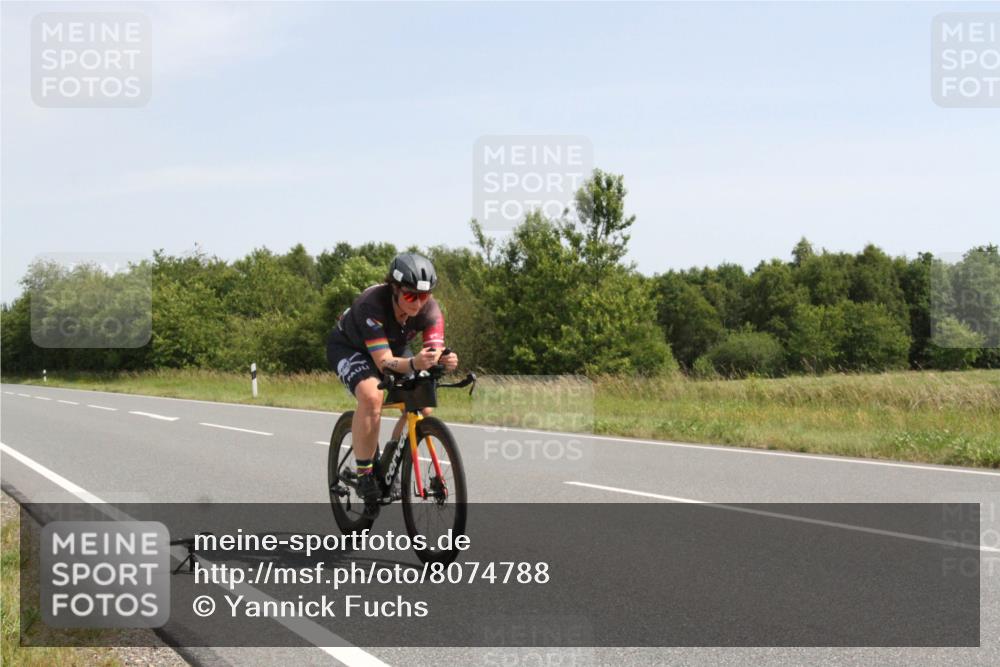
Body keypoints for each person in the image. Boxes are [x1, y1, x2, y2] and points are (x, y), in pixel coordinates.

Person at [325, 252, 458, 518]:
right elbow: (384, 362)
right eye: (410, 295)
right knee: (371, 396)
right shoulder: (372, 304)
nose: (418, 303)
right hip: (350, 348)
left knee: (422, 406)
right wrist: (415, 363)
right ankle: (365, 473)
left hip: (394, 349)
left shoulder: (431, 309)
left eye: (424, 295)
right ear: (394, 288)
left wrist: (445, 359)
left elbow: (432, 352)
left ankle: (390, 460)